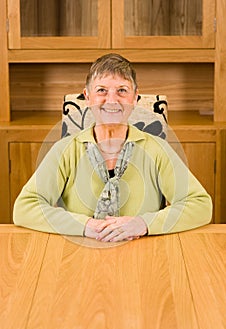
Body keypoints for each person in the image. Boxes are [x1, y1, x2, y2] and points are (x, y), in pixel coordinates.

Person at [13, 53, 212, 242]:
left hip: (143, 252)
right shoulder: (64, 149)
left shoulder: (157, 149)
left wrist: (143, 223)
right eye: (101, 90)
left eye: (122, 91)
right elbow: (25, 207)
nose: (112, 100)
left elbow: (200, 205)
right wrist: (86, 226)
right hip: (78, 252)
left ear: (135, 98)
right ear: (87, 97)